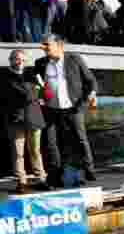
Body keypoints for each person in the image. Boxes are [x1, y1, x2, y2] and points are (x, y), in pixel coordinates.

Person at [34, 34, 98, 186]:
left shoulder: (74, 59)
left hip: (73, 108)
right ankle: (55, 174)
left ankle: (88, 170)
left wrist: (90, 95)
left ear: (59, 45)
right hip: (51, 109)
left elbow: (90, 81)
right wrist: (39, 92)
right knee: (50, 142)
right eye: (43, 45)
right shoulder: (41, 63)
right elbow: (36, 83)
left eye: (47, 45)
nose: (44, 48)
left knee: (80, 140)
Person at [1, 49, 47, 192]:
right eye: (17, 59)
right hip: (15, 119)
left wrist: (43, 90)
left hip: (34, 118)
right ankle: (22, 182)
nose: (20, 62)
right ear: (11, 60)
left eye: (23, 59)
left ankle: (41, 179)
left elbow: (45, 93)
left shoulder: (32, 74)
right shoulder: (3, 76)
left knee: (35, 151)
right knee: (18, 153)